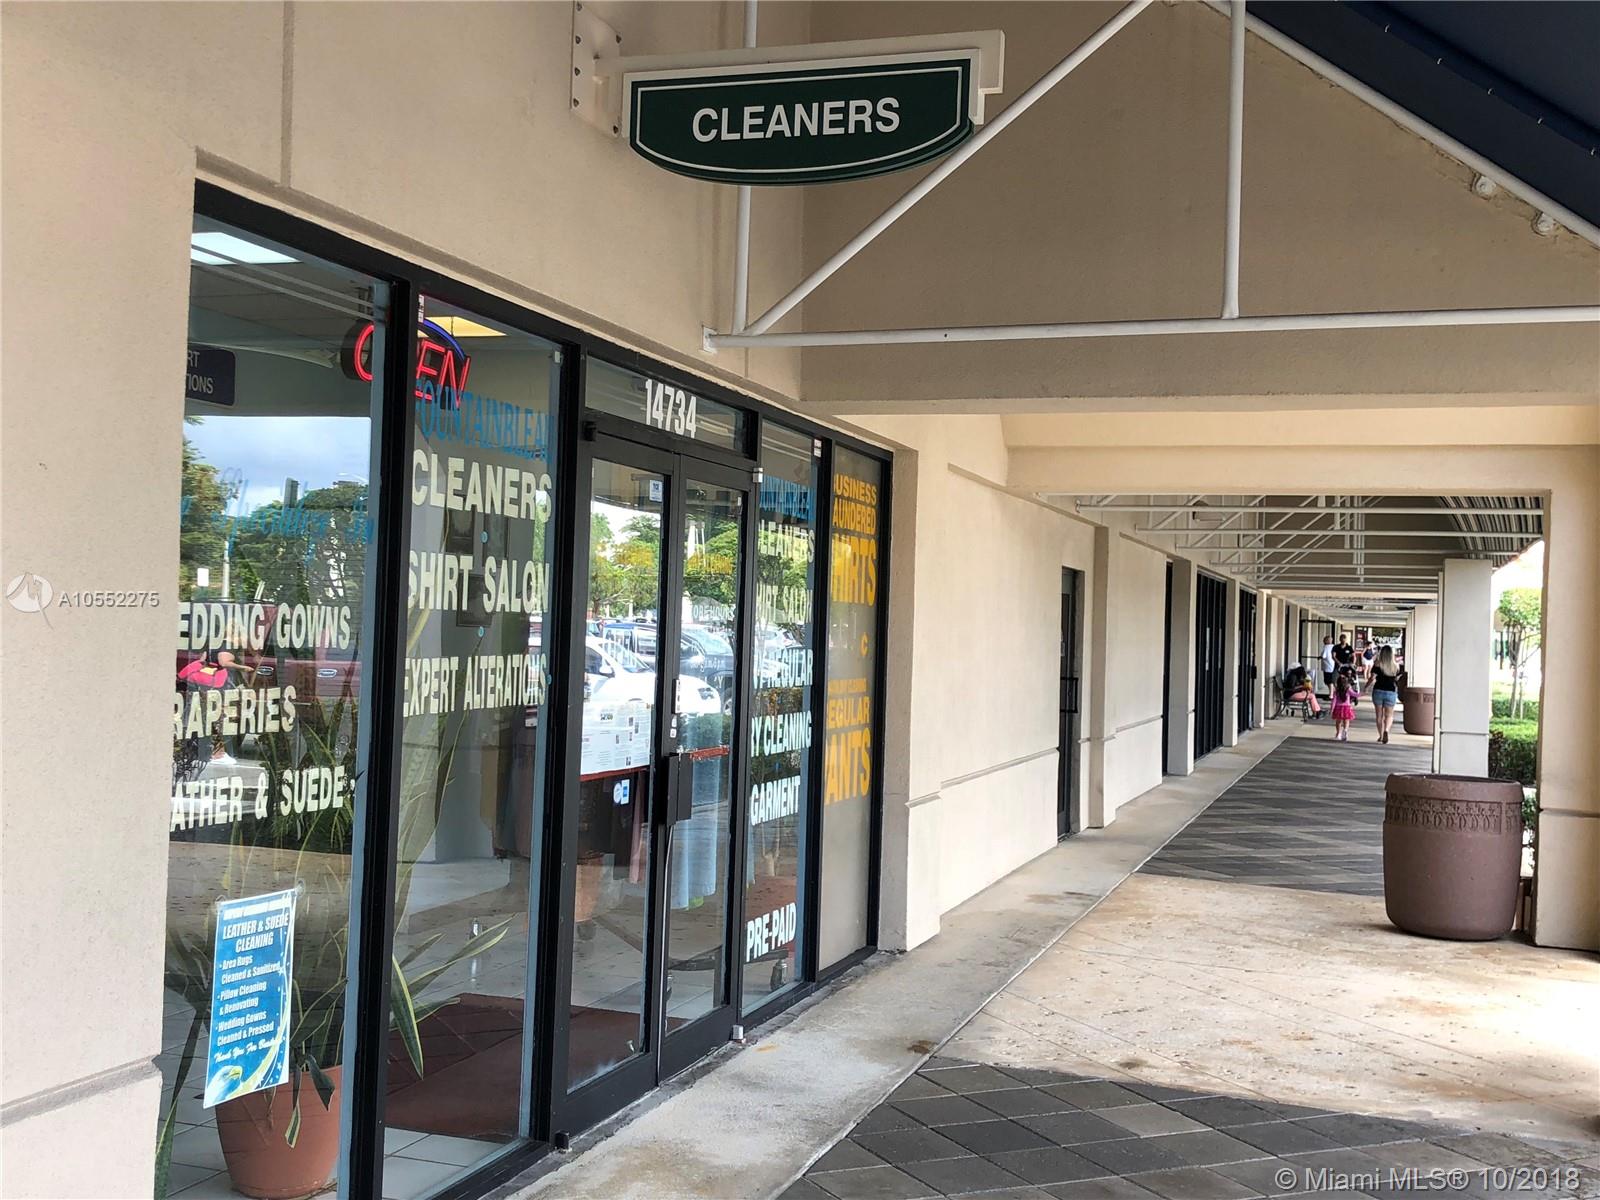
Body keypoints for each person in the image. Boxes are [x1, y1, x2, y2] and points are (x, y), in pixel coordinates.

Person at [1366, 645, 1404, 744]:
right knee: (1389, 715)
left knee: (1379, 715)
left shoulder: (1377, 664)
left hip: (1378, 690)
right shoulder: (1396, 666)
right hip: (1391, 691)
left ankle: (1381, 735)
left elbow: (1372, 677)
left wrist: (1366, 687)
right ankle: (1386, 730)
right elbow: (1397, 679)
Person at [1331, 666, 1359, 742]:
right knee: (1346, 720)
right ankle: (1345, 731)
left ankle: (1338, 733)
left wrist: (1332, 709)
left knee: (1338, 721)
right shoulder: (1348, 689)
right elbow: (1355, 694)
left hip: (1338, 708)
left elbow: (1334, 701)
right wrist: (1362, 694)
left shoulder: (1336, 691)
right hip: (1347, 707)